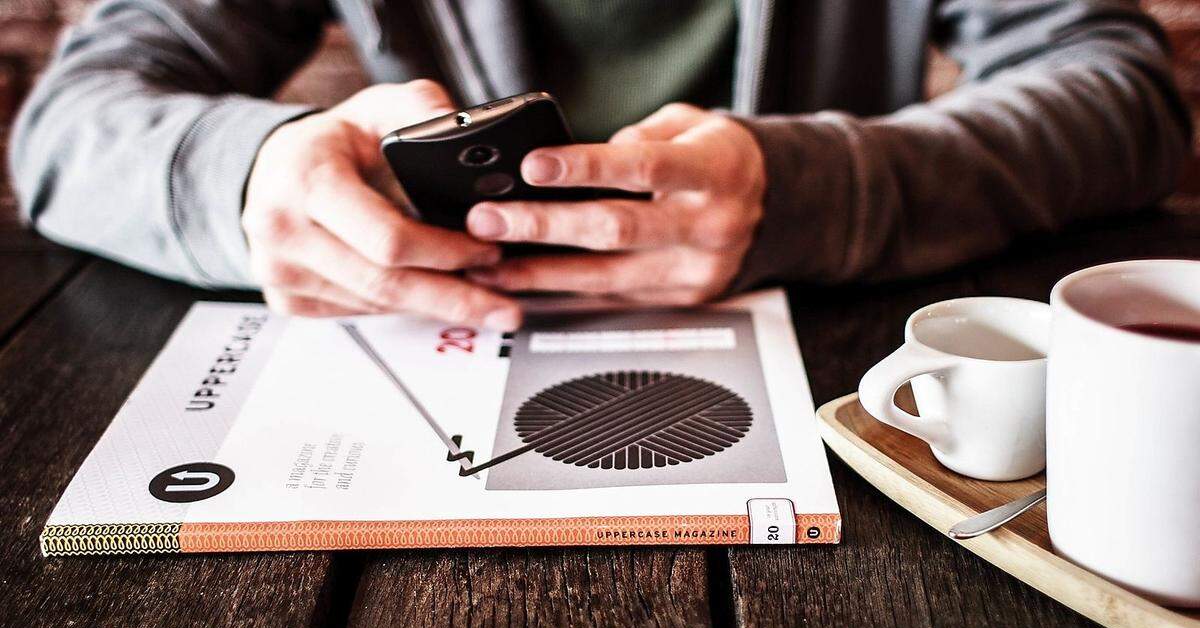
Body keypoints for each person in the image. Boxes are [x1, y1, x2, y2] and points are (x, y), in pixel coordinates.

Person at [8, 0, 1191, 330]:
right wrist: (250, 176)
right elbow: (73, 120)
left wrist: (813, 192)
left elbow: (1122, 90)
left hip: (855, 374)